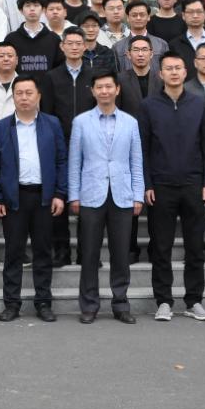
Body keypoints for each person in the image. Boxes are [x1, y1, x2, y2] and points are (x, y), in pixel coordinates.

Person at [138, 52, 205, 322]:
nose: (173, 72)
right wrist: (147, 183)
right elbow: (143, 148)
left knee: (195, 247)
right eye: (168, 68)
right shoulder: (148, 106)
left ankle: (194, 300)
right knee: (161, 247)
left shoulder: (198, 104)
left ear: (185, 72)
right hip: (161, 186)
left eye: (178, 68)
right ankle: (163, 301)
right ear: (160, 74)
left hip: (194, 184)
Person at [67, 70, 144, 324]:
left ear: (117, 89)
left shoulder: (130, 122)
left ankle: (120, 304)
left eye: (109, 86)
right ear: (92, 91)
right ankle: (89, 305)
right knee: (89, 254)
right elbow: (75, 162)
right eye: (99, 87)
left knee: (121, 253)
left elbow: (136, 162)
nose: (104, 91)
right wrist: (74, 195)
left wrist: (138, 195)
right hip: (91, 195)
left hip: (122, 195)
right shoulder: (81, 122)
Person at [0, 76, 67, 322]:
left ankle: (43, 302)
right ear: (13, 97)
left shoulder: (52, 124)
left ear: (38, 96)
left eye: (29, 93)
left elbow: (61, 160)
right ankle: (11, 303)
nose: (24, 97)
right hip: (14, 199)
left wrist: (59, 194)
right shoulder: (1, 127)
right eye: (19, 93)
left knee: (43, 251)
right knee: (13, 252)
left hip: (44, 197)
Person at [38, 28, 95, 266]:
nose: (74, 47)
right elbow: (46, 112)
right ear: (62, 47)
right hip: (59, 146)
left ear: (85, 46)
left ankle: (86, 252)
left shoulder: (94, 76)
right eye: (69, 43)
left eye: (78, 43)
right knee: (59, 198)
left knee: (88, 201)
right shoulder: (51, 77)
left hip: (90, 146)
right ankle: (61, 251)